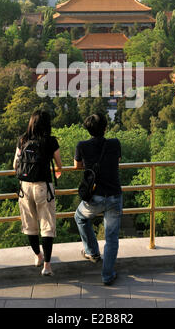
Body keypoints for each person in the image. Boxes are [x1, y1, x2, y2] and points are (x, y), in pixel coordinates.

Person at [74, 113, 122, 285]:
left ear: (88, 129)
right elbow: (117, 160)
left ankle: (92, 252)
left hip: (94, 197)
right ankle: (107, 276)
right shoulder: (115, 143)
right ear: (105, 128)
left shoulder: (82, 146)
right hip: (114, 196)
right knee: (111, 238)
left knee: (79, 217)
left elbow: (77, 166)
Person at [13, 110, 62, 276]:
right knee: (47, 227)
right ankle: (47, 266)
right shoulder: (50, 141)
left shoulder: (23, 139)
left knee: (30, 226)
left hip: (25, 187)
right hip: (43, 187)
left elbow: (15, 165)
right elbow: (59, 164)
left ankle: (38, 256)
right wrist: (58, 172)